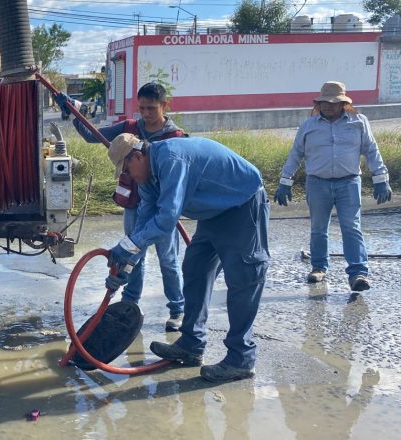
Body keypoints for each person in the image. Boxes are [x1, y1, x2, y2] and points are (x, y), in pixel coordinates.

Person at [104, 133, 269, 382]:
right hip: (213, 213)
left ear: (138, 156)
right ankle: (191, 345)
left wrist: (128, 248)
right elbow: (145, 221)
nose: (129, 176)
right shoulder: (148, 176)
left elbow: (166, 220)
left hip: (242, 204)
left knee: (244, 279)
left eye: (127, 169)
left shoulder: (172, 159)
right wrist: (127, 262)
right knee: (195, 270)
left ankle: (241, 359)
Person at [59, 82, 186, 331]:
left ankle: (177, 310)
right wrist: (73, 111)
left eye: (151, 108)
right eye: (142, 108)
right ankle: (129, 305)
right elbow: (90, 134)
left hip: (163, 209)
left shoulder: (176, 137)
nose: (146, 114)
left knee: (168, 260)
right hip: (135, 205)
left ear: (164, 105)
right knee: (132, 255)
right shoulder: (129, 128)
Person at [275, 81, 392, 291]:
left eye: (333, 102)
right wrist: (285, 182)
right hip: (317, 184)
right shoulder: (308, 126)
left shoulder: (359, 122)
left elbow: (371, 151)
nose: (327, 106)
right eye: (323, 102)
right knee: (318, 229)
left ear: (343, 104)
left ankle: (358, 273)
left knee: (351, 228)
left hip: (349, 183)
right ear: (318, 104)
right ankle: (319, 268)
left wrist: (381, 178)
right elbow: (296, 154)